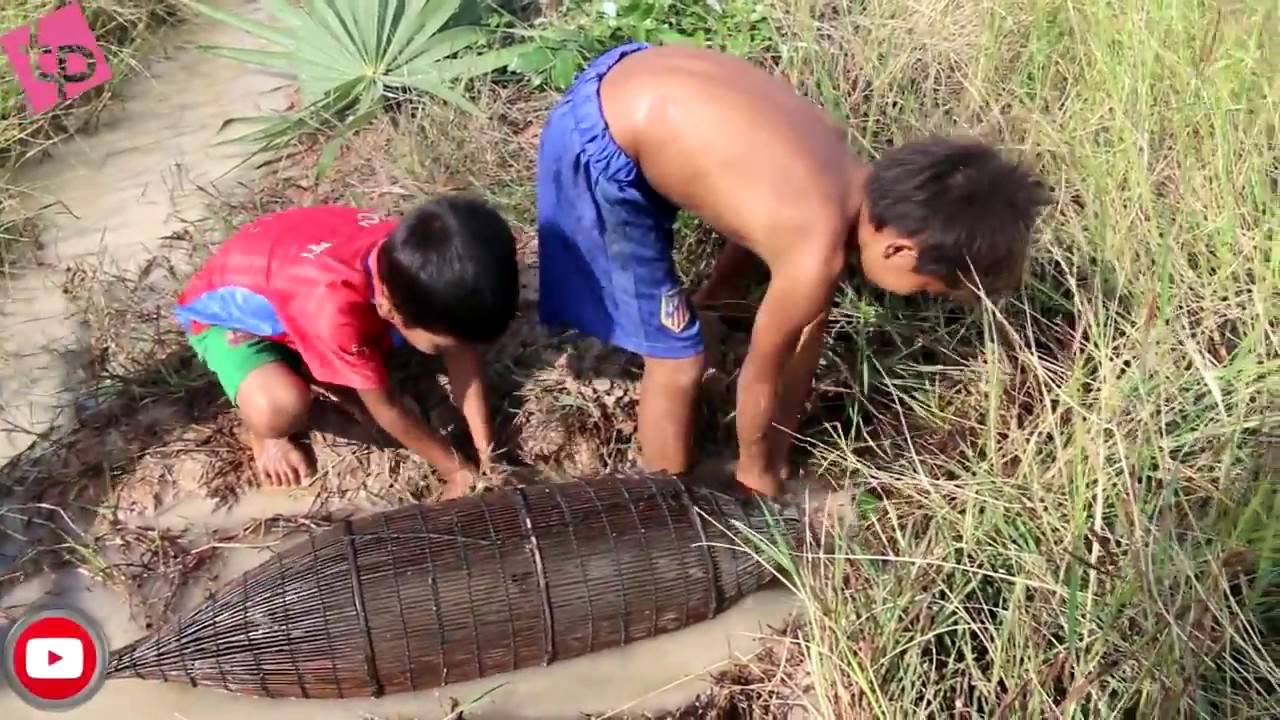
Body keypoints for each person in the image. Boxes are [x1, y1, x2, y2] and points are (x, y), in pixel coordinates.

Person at [535, 43, 1048, 497]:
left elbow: (806, 328)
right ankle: (664, 499)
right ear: (899, 251)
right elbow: (762, 376)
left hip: (634, 73)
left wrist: (781, 442)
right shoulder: (814, 251)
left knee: (760, 264)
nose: (918, 298)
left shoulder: (840, 170)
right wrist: (757, 472)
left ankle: (720, 296)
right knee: (678, 360)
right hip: (598, 144)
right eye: (926, 290)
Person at [175, 195, 519, 498]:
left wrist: (489, 455)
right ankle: (264, 434)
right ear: (389, 308)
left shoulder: (418, 258)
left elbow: (463, 351)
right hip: (232, 320)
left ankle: (319, 362)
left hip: (294, 275)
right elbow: (386, 406)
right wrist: (454, 470)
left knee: (386, 346)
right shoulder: (333, 313)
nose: (458, 349)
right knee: (278, 410)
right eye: (444, 344)